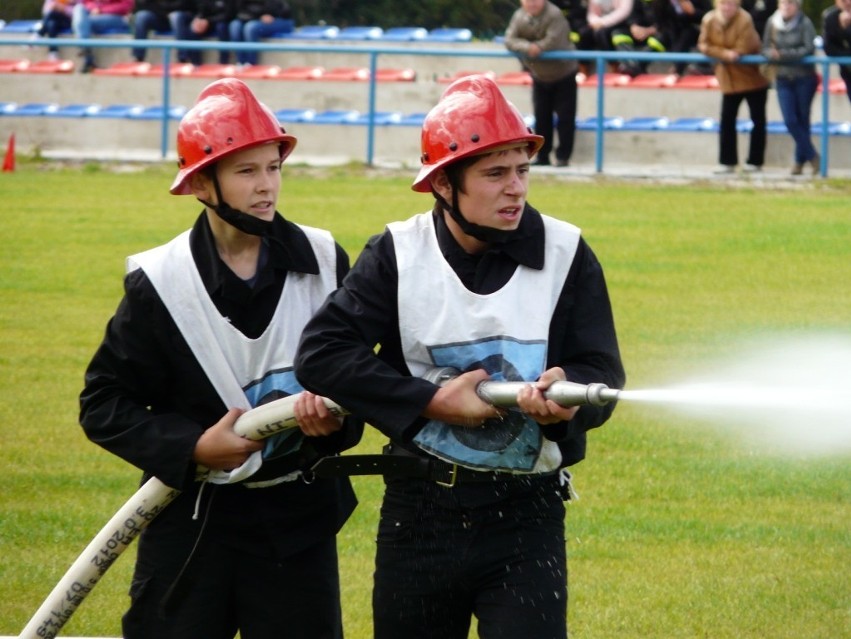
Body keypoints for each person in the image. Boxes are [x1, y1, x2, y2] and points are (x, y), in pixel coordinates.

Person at [295, 74, 625, 639]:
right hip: (419, 511)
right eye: (494, 173)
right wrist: (431, 402)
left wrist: (572, 398)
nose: (515, 188)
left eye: (522, 169)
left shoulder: (567, 251)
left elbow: (601, 371)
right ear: (445, 184)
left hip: (527, 513)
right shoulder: (397, 252)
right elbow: (323, 353)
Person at [79, 77, 361, 639]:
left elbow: (357, 385)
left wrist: (332, 427)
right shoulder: (160, 283)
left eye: (273, 167)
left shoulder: (327, 260)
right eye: (246, 170)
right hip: (189, 526)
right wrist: (193, 447)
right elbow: (104, 404)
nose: (266, 187)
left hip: (296, 528)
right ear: (202, 184)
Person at [504, 0, 579, 167]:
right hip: (539, 75)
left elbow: (554, 41)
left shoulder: (554, 14)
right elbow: (509, 40)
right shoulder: (519, 16)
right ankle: (542, 156)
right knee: (541, 116)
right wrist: (530, 47)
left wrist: (537, 47)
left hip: (564, 73)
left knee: (565, 118)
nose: (532, 3)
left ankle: (563, 157)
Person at [698, 0, 769, 173]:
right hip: (728, 79)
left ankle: (755, 161)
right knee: (727, 120)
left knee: (758, 120)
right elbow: (704, 45)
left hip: (753, 78)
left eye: (730, 4)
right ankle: (727, 161)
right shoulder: (709, 20)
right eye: (723, 4)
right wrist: (724, 54)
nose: (726, 8)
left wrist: (721, 52)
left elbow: (742, 49)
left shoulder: (745, 20)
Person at [762, 0, 819, 175]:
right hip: (783, 78)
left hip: (804, 78)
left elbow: (808, 49)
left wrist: (783, 55)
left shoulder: (805, 23)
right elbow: (764, 47)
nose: (787, 6)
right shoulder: (772, 22)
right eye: (784, 3)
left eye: (791, 3)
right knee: (790, 120)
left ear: (797, 6)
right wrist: (772, 55)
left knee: (803, 119)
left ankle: (798, 163)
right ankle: (813, 156)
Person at [577, 0, 640, 76]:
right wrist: (595, 22)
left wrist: (603, 23)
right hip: (599, 23)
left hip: (621, 23)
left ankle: (614, 66)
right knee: (584, 33)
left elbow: (623, 12)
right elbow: (591, 13)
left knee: (601, 34)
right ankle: (583, 69)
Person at [72, 0, 134, 73]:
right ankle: (86, 51)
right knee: (78, 8)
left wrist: (101, 10)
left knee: (82, 23)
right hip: (93, 15)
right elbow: (86, 2)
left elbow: (126, 6)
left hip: (117, 17)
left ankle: (86, 53)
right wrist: (94, 8)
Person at [228, 0, 293, 67]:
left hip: (278, 17)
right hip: (252, 17)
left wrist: (265, 15)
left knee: (250, 27)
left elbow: (276, 9)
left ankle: (251, 63)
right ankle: (241, 62)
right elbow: (239, 10)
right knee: (234, 25)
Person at [131, 0, 197, 64]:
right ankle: (138, 58)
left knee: (175, 16)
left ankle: (183, 59)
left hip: (181, 15)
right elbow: (144, 5)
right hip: (160, 16)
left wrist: (167, 9)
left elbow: (186, 4)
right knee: (141, 16)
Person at [822, 0, 851, 105]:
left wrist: (847, 29)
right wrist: (842, 28)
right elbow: (829, 48)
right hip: (848, 71)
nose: (848, 3)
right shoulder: (830, 17)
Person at [191, 0, 233, 64]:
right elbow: (202, 11)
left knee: (222, 27)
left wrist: (208, 21)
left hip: (222, 22)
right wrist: (198, 19)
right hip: (208, 21)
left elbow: (228, 15)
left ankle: (223, 62)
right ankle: (195, 63)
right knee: (195, 27)